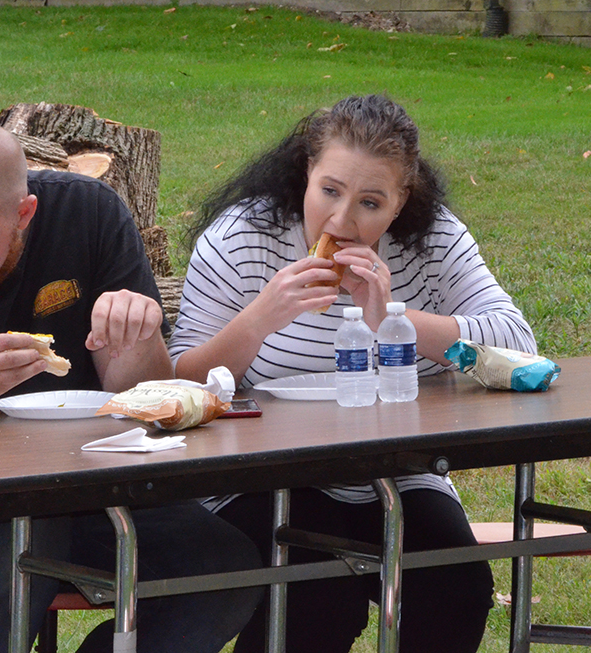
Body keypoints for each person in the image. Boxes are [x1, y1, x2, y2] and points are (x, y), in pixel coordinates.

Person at [0, 119, 263, 653]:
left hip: (88, 492)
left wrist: (137, 336)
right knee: (22, 542)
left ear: (23, 215)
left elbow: (144, 398)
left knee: (224, 568)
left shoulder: (88, 216)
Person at [169, 95, 535, 652]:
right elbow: (182, 381)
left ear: (399, 203)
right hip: (262, 474)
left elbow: (519, 347)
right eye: (329, 191)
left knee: (455, 584)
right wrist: (262, 316)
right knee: (313, 596)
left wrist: (395, 317)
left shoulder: (431, 238)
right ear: (306, 175)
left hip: (396, 469)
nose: (341, 222)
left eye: (369, 202)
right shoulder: (244, 237)